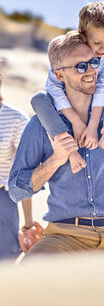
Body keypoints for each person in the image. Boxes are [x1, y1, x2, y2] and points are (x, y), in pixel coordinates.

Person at [8, 32, 104, 259]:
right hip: (62, 237)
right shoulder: (40, 125)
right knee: (23, 283)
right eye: (80, 66)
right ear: (59, 75)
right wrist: (55, 160)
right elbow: (17, 190)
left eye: (94, 62)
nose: (90, 71)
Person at [31, 1, 104, 174]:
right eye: (97, 43)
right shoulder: (64, 51)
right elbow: (54, 89)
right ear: (82, 35)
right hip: (68, 101)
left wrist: (92, 126)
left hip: (93, 102)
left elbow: (102, 89)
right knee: (38, 98)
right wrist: (76, 122)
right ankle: (71, 151)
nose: (103, 49)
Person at [0, 61, 43, 261]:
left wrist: (27, 222)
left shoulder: (16, 119)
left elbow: (24, 171)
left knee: (5, 259)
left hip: (4, 200)